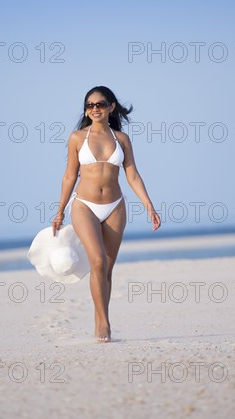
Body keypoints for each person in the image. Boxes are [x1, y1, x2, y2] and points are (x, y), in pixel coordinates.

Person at [52, 86, 161, 342]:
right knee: (98, 261)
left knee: (107, 269)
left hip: (115, 206)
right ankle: (102, 323)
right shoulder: (77, 138)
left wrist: (149, 205)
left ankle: (103, 316)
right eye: (89, 105)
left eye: (100, 104)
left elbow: (132, 174)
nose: (95, 109)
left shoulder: (121, 139)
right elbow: (70, 175)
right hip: (84, 206)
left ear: (111, 107)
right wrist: (59, 211)